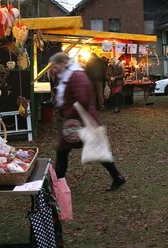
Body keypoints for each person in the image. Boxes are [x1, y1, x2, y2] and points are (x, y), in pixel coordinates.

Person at [49, 52, 125, 191]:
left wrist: (67, 114)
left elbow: (82, 100)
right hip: (80, 120)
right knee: (72, 150)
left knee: (64, 151)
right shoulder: (71, 74)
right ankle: (117, 177)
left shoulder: (76, 75)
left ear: (63, 63)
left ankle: (57, 185)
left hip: (81, 121)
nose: (55, 69)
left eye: (56, 66)